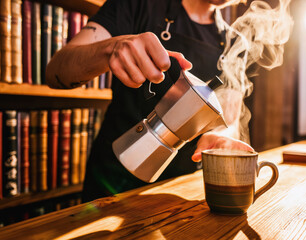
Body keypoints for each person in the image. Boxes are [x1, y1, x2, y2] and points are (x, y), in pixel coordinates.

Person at [46, 0, 253, 202]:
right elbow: (56, 71)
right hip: (111, 178)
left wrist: (219, 137)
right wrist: (111, 48)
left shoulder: (234, 42)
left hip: (182, 189)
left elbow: (229, 119)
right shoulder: (138, 4)